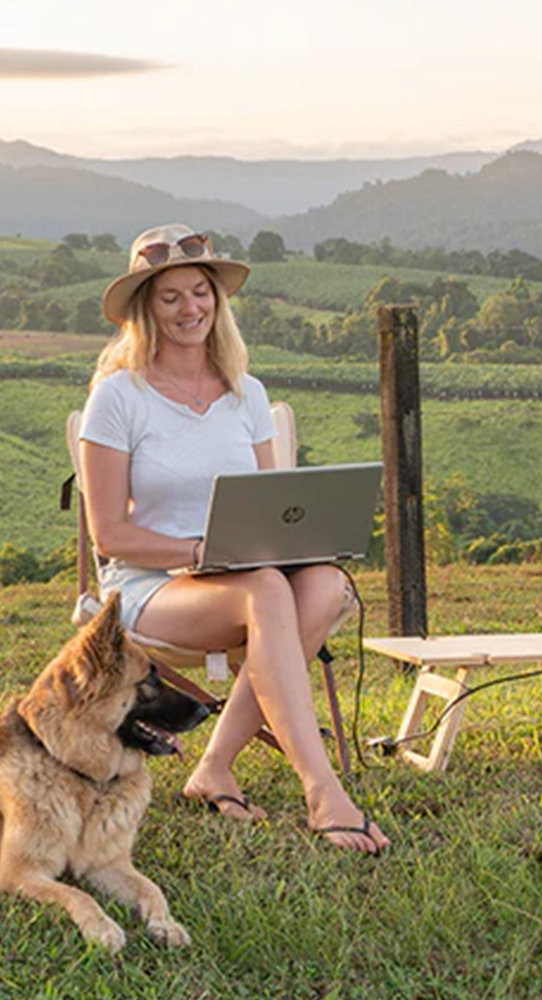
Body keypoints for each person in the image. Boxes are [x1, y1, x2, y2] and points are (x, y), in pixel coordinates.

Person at [78, 223, 389, 854]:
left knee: (324, 585)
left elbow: (273, 507)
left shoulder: (246, 393)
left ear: (219, 302)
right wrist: (201, 554)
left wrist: (296, 542)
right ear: (145, 308)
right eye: (170, 297)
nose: (189, 308)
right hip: (153, 583)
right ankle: (323, 790)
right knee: (266, 593)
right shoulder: (118, 397)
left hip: (241, 572)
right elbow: (108, 533)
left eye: (201, 292)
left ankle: (213, 768)